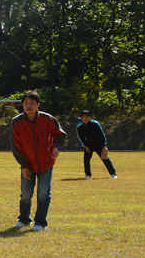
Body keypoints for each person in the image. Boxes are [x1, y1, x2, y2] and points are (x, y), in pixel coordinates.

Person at [9, 90, 67, 231]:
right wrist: (24, 165)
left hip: (46, 162)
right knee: (26, 194)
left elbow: (61, 135)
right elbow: (15, 146)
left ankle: (40, 222)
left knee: (43, 193)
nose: (28, 106)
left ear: (38, 104)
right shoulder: (16, 122)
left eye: (32, 103)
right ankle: (24, 219)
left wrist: (56, 147)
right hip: (28, 163)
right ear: (22, 105)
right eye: (26, 103)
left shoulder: (48, 119)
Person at [76, 110, 116, 179]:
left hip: (98, 144)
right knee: (86, 160)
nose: (85, 118)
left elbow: (102, 135)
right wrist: (85, 146)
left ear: (89, 117)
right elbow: (81, 137)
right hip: (88, 145)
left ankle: (113, 174)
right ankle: (87, 174)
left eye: (86, 117)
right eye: (83, 117)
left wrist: (104, 145)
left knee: (105, 158)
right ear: (81, 118)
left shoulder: (95, 124)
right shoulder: (80, 126)